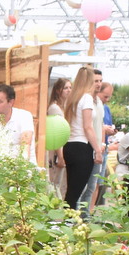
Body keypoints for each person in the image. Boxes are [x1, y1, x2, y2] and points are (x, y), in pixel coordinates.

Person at [62, 67, 102, 211]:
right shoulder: (86, 98)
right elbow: (88, 127)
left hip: (69, 145)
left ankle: (67, 218)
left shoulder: (72, 99)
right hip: (82, 146)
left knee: (71, 190)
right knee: (76, 191)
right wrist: (98, 150)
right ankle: (69, 220)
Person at [46, 77, 72, 198]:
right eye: (66, 88)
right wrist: (61, 156)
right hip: (56, 150)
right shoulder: (54, 108)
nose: (69, 90)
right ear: (58, 90)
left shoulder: (64, 106)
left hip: (63, 147)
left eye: (70, 88)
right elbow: (56, 132)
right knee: (55, 183)